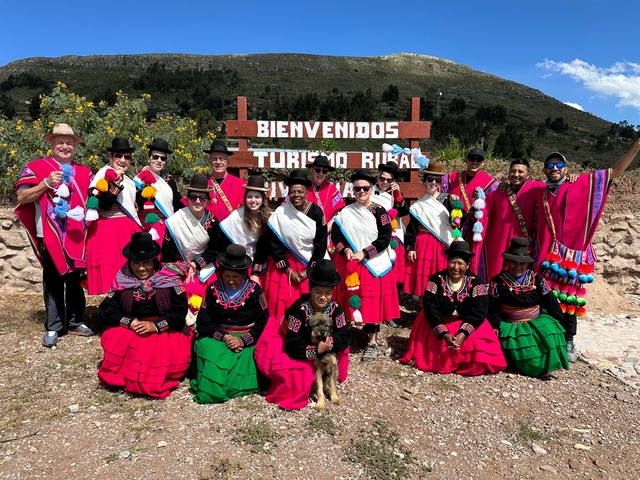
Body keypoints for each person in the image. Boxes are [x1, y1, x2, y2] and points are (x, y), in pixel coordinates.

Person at [534, 140, 640, 362]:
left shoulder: (579, 183)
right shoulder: (540, 192)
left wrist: (635, 148)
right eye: (550, 165)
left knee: (569, 299)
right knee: (546, 299)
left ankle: (569, 339)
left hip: (571, 257)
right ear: (544, 170)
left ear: (566, 169)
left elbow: (614, 172)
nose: (554, 169)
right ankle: (547, 337)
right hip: (545, 255)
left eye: (558, 165)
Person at [15, 123, 94, 347]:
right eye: (60, 141)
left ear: (75, 147)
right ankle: (54, 324)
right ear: (51, 144)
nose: (65, 146)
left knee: (75, 280)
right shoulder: (36, 167)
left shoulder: (85, 172)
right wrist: (46, 183)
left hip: (77, 235)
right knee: (53, 279)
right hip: (49, 233)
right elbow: (22, 197)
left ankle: (76, 320)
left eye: (69, 143)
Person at [97, 232, 192, 399]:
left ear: (154, 261)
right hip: (132, 328)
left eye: (146, 262)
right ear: (130, 262)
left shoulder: (169, 279)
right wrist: (130, 322)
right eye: (136, 263)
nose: (141, 268)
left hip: (165, 329)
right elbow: (107, 309)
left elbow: (179, 312)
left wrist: (155, 326)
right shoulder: (122, 280)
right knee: (118, 339)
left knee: (152, 362)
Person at [254, 259, 351, 410]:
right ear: (310, 290)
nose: (323, 297)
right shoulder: (298, 309)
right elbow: (293, 345)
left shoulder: (335, 308)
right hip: (291, 342)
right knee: (300, 375)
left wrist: (328, 343)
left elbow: (345, 335)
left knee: (342, 353)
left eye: (328, 293)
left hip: (321, 344)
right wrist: (317, 350)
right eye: (318, 292)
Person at [399, 241, 507, 375]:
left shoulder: (475, 282)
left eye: (460, 263)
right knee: (434, 354)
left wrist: (463, 334)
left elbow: (479, 310)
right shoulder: (436, 280)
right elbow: (430, 308)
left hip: (467, 322)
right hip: (437, 322)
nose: (456, 267)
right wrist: (443, 334)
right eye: (452, 262)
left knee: (476, 347)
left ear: (467, 265)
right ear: (447, 262)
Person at [332, 168, 400, 362]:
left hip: (373, 262)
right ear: (353, 191)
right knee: (348, 298)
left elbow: (385, 238)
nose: (361, 192)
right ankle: (345, 335)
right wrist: (345, 250)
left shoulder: (381, 212)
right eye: (357, 189)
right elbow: (336, 237)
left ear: (371, 189)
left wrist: (365, 252)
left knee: (372, 302)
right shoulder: (345, 212)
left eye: (365, 188)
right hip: (351, 262)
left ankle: (372, 341)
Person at [190, 245, 269, 403]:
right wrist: (225, 338)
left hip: (248, 338)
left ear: (244, 274)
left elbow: (263, 320)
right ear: (221, 273)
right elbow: (204, 322)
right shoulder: (212, 289)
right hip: (219, 337)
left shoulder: (255, 290)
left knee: (255, 355)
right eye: (227, 276)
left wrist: (243, 340)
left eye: (236, 277)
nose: (231, 281)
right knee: (206, 348)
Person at [488, 237, 568, 377]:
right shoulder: (497, 282)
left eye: (522, 263)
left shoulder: (538, 279)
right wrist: (494, 326)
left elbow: (550, 301)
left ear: (527, 264)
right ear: (507, 262)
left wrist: (556, 321)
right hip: (510, 324)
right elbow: (492, 307)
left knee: (548, 330)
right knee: (518, 344)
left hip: (535, 321)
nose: (518, 267)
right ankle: (530, 366)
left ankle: (547, 364)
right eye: (513, 262)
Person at [263, 169, 328, 318]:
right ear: (288, 192)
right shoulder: (279, 213)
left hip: (308, 264)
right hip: (285, 266)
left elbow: (321, 243)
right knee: (280, 304)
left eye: (300, 191)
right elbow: (274, 244)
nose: (296, 195)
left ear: (306, 192)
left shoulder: (316, 212)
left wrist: (308, 271)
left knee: (307, 304)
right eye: (292, 192)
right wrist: (287, 270)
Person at [162, 175, 226, 321]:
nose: (197, 201)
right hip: (179, 266)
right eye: (193, 197)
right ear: (188, 198)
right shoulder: (176, 220)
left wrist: (195, 264)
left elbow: (215, 249)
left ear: (208, 201)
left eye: (202, 198)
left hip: (203, 267)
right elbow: (168, 251)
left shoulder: (213, 222)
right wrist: (180, 269)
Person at [85, 137, 143, 295]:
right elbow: (102, 204)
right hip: (108, 229)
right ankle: (113, 308)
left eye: (127, 157)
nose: (123, 160)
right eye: (119, 156)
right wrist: (115, 185)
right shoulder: (103, 175)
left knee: (128, 267)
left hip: (127, 229)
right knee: (111, 269)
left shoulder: (130, 181)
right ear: (111, 157)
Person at [441, 148, 499, 282]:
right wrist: (448, 197)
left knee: (469, 257)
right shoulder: (452, 177)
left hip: (473, 227)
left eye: (478, 160)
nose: (475, 162)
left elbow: (493, 205)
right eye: (472, 159)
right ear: (466, 160)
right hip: (452, 226)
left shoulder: (491, 183)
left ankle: (470, 282)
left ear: (483, 163)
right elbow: (438, 194)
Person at [403, 162, 454, 299]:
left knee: (442, 277)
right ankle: (423, 312)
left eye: (437, 180)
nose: (433, 183)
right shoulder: (418, 205)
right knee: (424, 282)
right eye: (430, 179)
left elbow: (456, 222)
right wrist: (411, 247)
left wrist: (457, 208)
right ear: (424, 182)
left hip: (442, 243)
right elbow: (411, 229)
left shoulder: (448, 200)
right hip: (423, 243)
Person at [371, 160, 409, 328]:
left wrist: (397, 195)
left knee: (390, 278)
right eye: (382, 178)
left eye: (388, 179)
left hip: (391, 240)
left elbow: (404, 211)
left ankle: (388, 313)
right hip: (373, 238)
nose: (384, 182)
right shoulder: (369, 191)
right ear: (377, 178)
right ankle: (373, 310)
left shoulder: (396, 195)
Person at [219, 175, 272, 282]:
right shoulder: (237, 217)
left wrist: (255, 272)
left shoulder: (269, 218)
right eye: (250, 197)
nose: (253, 200)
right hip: (239, 260)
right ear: (245, 198)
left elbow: (264, 246)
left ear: (262, 199)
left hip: (260, 260)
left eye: (257, 197)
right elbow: (224, 239)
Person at [133, 138, 183, 244]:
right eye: (156, 157)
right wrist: (147, 184)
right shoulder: (139, 180)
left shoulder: (170, 181)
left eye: (163, 158)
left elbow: (177, 204)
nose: (159, 161)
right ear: (149, 158)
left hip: (166, 225)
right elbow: (139, 203)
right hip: (147, 223)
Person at [199, 139, 247, 221]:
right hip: (208, 230)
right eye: (214, 159)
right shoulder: (202, 184)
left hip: (231, 231)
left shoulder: (241, 185)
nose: (218, 162)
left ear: (228, 161)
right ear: (209, 161)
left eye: (221, 159)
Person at [306, 155, 345, 229]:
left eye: (324, 171)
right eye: (318, 170)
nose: (321, 173)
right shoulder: (304, 187)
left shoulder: (331, 189)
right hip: (304, 232)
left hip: (325, 234)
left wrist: (326, 230)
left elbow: (337, 214)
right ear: (312, 170)